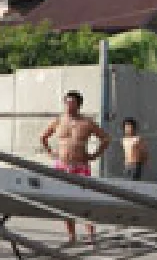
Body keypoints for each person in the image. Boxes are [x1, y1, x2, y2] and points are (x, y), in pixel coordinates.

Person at [40, 90, 111, 244]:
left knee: (85, 200)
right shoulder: (58, 121)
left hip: (81, 165)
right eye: (66, 102)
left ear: (79, 105)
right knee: (65, 202)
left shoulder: (87, 122)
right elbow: (43, 137)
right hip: (62, 165)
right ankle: (71, 235)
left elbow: (106, 139)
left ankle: (91, 234)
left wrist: (94, 155)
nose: (68, 106)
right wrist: (51, 153)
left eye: (72, 103)